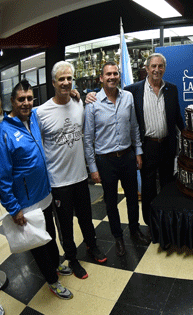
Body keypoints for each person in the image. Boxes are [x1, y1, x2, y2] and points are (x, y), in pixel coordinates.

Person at [86, 53, 184, 242]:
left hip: (166, 147)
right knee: (147, 190)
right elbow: (93, 131)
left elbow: (177, 118)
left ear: (164, 68)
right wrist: (85, 95)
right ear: (146, 68)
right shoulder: (133, 91)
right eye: (153, 66)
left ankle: (165, 225)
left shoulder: (172, 89)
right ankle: (149, 225)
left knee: (167, 187)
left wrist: (187, 135)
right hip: (147, 147)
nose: (156, 70)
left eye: (160, 66)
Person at [0, 80, 73, 300]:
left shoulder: (33, 118)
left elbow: (51, 104)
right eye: (21, 99)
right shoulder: (3, 134)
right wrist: (14, 209)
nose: (26, 103)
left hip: (44, 195)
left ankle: (55, 266)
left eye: (29, 98)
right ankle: (52, 281)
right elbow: (2, 177)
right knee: (38, 245)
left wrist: (70, 93)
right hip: (26, 204)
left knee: (50, 237)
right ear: (12, 101)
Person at [36, 61, 107, 279]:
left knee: (86, 217)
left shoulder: (78, 103)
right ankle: (72, 258)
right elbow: (37, 146)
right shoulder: (41, 113)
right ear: (53, 83)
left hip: (80, 176)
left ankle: (91, 246)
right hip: (58, 182)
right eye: (61, 79)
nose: (66, 83)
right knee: (65, 225)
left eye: (69, 78)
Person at [83, 61, 147, 257]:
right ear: (101, 78)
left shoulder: (127, 97)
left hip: (127, 156)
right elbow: (87, 139)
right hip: (105, 160)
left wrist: (138, 152)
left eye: (115, 74)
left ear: (119, 76)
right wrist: (93, 168)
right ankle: (118, 237)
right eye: (108, 74)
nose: (112, 77)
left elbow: (134, 127)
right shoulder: (92, 103)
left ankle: (135, 231)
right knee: (110, 202)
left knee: (132, 198)